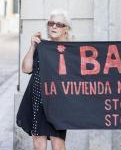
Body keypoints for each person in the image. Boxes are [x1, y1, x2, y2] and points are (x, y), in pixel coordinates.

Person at [17, 9, 72, 150]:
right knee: (38, 143)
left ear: (66, 30)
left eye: (59, 24)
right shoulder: (41, 47)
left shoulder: (72, 50)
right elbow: (26, 68)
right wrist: (33, 46)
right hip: (38, 101)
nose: (54, 26)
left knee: (57, 143)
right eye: (51, 23)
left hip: (59, 102)